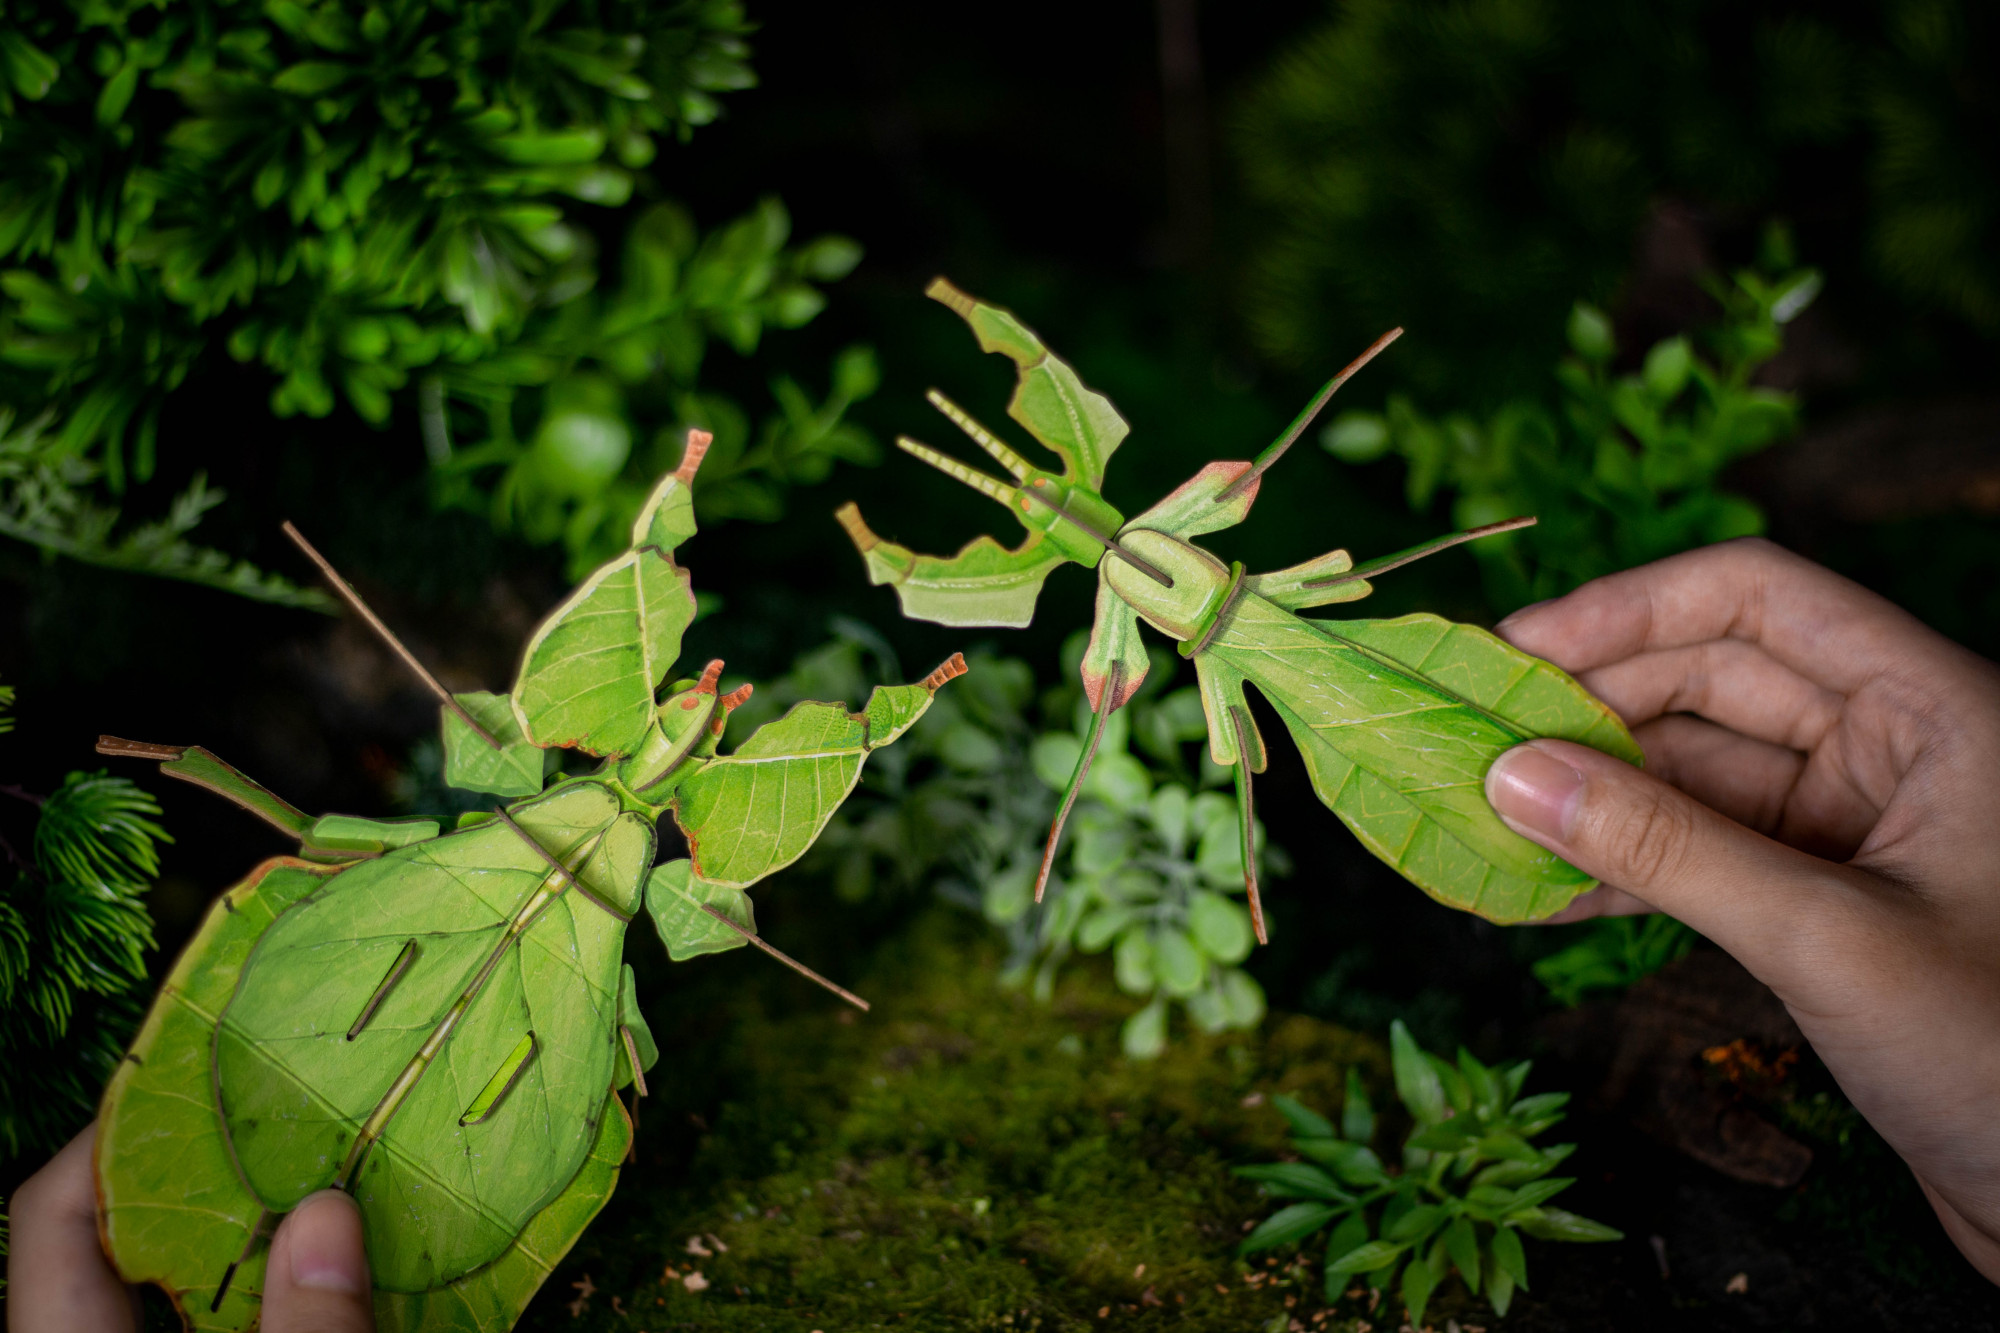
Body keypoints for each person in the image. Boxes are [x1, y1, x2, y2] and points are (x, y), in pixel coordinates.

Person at [8, 538, 1998, 1327]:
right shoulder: (678, 878)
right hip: (457, 1036)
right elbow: (665, 912)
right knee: (522, 1011)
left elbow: (445, 851)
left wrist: (889, 711)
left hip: (453, 1025)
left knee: (489, 991)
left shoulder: (654, 855)